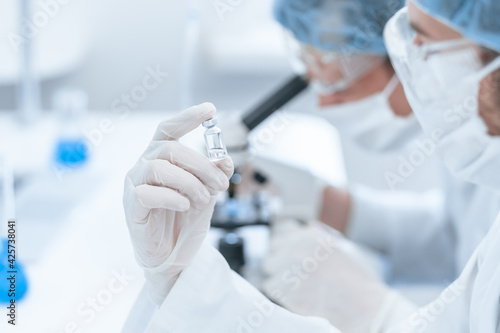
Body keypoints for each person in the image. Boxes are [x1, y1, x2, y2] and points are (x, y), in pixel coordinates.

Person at [121, 0, 500, 331]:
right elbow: (461, 238)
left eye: (426, 49)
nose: (413, 69)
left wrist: (377, 313)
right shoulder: (484, 153)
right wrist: (179, 279)